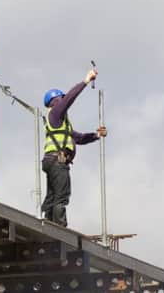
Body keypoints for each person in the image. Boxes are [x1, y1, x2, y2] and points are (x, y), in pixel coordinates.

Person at [41, 68, 107, 227]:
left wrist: (96, 135)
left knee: (52, 196)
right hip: (57, 161)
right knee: (61, 197)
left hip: (52, 161)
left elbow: (78, 138)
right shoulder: (55, 112)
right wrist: (85, 81)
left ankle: (49, 224)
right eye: (61, 99)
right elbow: (70, 98)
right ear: (56, 100)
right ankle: (59, 228)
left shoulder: (59, 124)